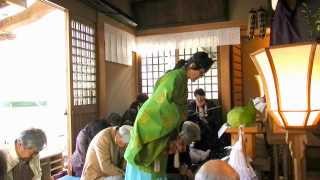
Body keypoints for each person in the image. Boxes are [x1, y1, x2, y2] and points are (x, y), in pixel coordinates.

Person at [124, 51, 214, 179]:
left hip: (162, 126)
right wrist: (180, 115)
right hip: (152, 123)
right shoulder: (175, 77)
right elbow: (161, 103)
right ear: (193, 65)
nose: (200, 76)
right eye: (200, 73)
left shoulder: (180, 78)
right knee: (148, 162)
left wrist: (176, 129)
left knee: (157, 162)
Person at [188, 88, 228, 159]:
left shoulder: (211, 104)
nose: (200, 99)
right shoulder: (192, 105)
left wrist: (206, 120)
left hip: (210, 126)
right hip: (198, 127)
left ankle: (214, 151)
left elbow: (216, 117)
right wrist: (199, 113)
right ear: (195, 97)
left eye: (201, 96)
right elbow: (190, 117)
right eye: (198, 97)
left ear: (204, 96)